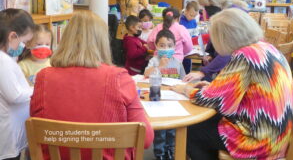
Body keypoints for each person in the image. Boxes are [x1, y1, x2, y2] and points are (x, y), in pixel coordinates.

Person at [172, 8, 293, 160]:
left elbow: (213, 100)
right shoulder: (268, 48)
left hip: (258, 141)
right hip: (277, 136)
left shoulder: (244, 55)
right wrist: (211, 89)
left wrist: (186, 89)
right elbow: (230, 93)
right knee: (205, 124)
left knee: (191, 131)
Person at [30, 11, 154, 160]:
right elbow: (146, 139)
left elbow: (37, 127)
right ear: (102, 42)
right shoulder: (119, 78)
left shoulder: (43, 78)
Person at [0, 8, 35, 160]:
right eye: (24, 42)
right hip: (6, 134)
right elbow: (15, 95)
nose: (24, 47)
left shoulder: (6, 59)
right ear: (12, 36)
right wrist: (38, 88)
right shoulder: (2, 61)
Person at [144, 29, 185, 160]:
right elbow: (146, 73)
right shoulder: (154, 61)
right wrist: (160, 67)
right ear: (156, 46)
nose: (166, 48)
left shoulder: (177, 62)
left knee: (173, 128)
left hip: (174, 100)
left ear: (174, 47)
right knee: (160, 130)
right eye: (162, 45)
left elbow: (183, 80)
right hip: (158, 98)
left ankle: (170, 151)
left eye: (169, 45)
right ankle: (159, 153)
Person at [183, 0, 233, 82]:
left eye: (209, 7)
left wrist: (203, 72)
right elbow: (215, 36)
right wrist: (210, 52)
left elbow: (226, 53)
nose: (207, 11)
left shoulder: (230, 18)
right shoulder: (221, 14)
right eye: (205, 7)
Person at [179, 1, 200, 74]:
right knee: (179, 68)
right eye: (191, 15)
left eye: (195, 16)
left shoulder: (193, 21)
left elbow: (195, 33)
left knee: (187, 66)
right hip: (180, 49)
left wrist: (194, 39)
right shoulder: (179, 20)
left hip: (189, 49)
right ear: (186, 11)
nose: (193, 18)